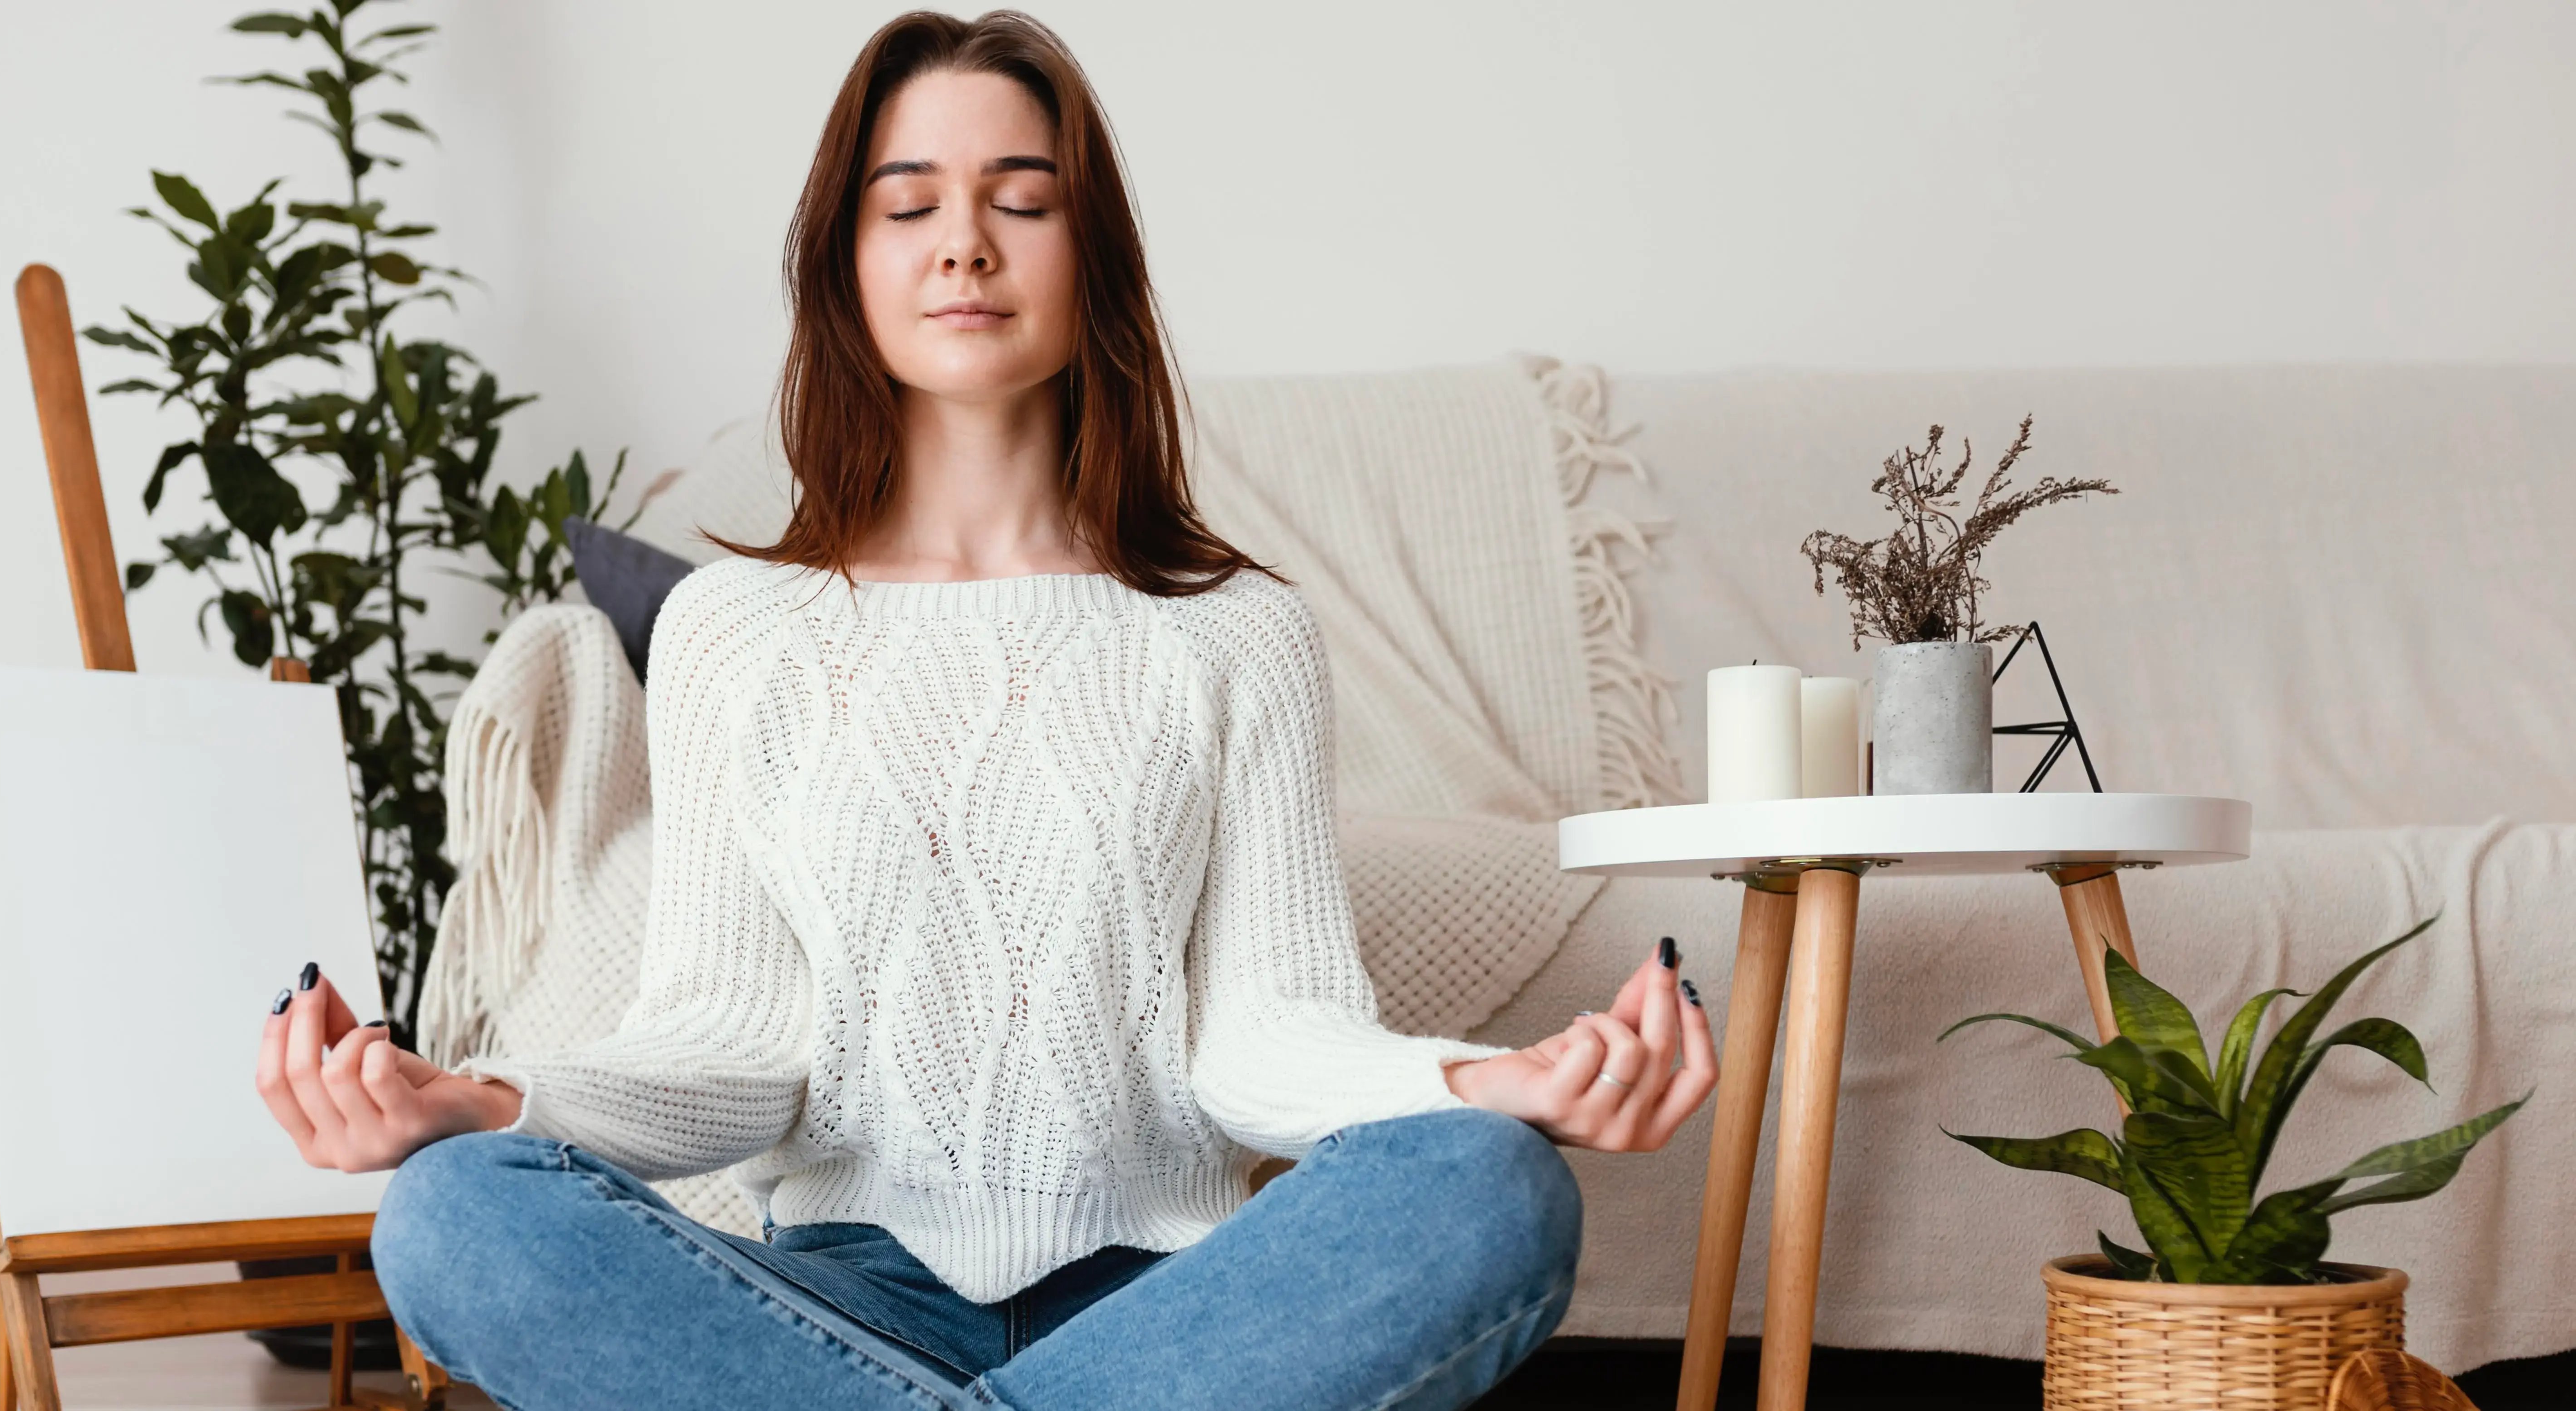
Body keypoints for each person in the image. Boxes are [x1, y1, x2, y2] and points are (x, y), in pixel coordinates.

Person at [252, 11, 1716, 1409]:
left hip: (1177, 1323)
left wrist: (1481, 1078)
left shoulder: (1236, 635)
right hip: (829, 1310)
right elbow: (724, 1050)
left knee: (1490, 1184)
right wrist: (480, 1103)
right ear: (845, 264)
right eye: (910, 206)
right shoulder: (732, 632)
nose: (964, 241)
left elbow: (1268, 1041)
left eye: (1022, 199)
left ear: (1095, 260)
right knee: (452, 1216)